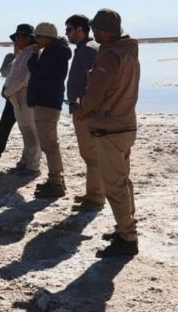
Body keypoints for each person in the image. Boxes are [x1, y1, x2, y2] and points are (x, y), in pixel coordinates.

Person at [75, 8, 140, 258]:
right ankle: (125, 228)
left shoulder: (111, 56)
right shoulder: (127, 52)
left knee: (114, 185)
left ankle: (127, 237)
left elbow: (96, 92)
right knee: (121, 181)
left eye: (95, 30)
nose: (93, 34)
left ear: (102, 32)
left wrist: (82, 110)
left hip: (111, 127)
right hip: (124, 125)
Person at [27, 22, 71, 199]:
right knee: (50, 143)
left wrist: (34, 57)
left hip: (46, 102)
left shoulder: (52, 53)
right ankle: (56, 180)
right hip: (50, 101)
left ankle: (56, 182)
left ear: (46, 37)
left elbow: (38, 75)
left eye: (38, 37)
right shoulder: (57, 52)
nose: (36, 40)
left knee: (49, 144)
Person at [65, 14, 103, 211]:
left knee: (91, 154)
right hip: (84, 109)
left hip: (85, 111)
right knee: (89, 154)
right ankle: (93, 193)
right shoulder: (85, 49)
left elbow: (95, 83)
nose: (67, 34)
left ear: (81, 30)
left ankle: (96, 197)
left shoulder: (88, 50)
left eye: (69, 29)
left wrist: (84, 107)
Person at [0, 23, 42, 176]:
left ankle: (32, 165)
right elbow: (9, 74)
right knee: (27, 132)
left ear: (28, 38)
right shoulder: (23, 54)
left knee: (30, 132)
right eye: (15, 37)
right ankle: (27, 162)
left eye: (18, 37)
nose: (16, 40)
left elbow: (21, 78)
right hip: (20, 97)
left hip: (24, 97)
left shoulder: (28, 54)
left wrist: (7, 91)